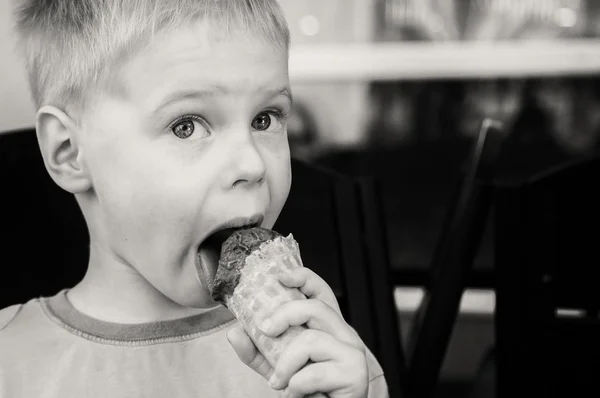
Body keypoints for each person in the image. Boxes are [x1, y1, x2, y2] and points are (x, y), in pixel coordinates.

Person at [0, 1, 388, 397]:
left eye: (265, 118)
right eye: (186, 126)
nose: (252, 164)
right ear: (69, 151)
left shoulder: (328, 361)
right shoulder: (9, 364)